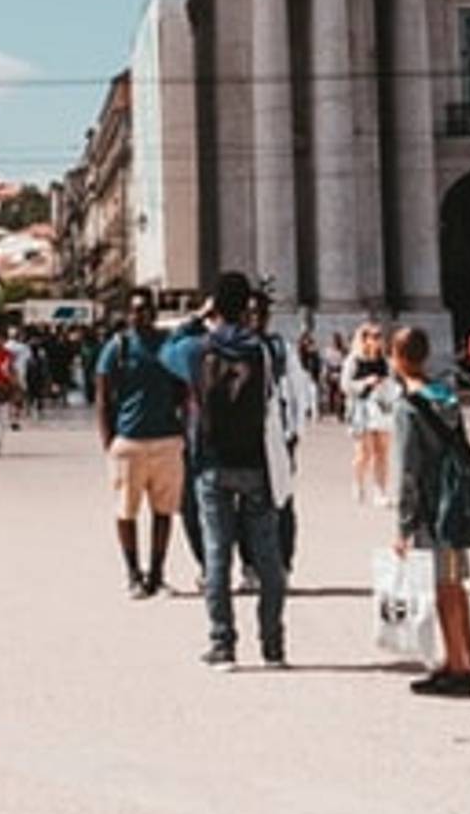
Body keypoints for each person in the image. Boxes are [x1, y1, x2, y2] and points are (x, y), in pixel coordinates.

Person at [163, 273, 287, 668]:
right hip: (256, 462)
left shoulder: (196, 349)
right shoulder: (266, 351)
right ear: (247, 307)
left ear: (215, 305)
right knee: (268, 556)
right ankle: (272, 646)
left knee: (217, 555)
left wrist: (198, 318)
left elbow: (166, 350)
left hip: (211, 462)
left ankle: (223, 645)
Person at [387, 325, 470, 696]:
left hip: (434, 509)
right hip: (456, 499)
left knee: (444, 587)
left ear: (396, 358)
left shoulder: (407, 407)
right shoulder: (444, 393)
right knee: (455, 583)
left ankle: (459, 668)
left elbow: (409, 473)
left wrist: (403, 527)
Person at [91, 290, 189, 599]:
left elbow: (183, 387)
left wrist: (182, 429)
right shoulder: (117, 347)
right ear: (128, 314)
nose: (141, 315)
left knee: (164, 511)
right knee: (126, 511)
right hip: (129, 440)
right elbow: (103, 397)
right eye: (135, 310)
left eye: (146, 310)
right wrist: (109, 441)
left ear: (155, 312)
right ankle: (133, 573)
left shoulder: (169, 344)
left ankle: (157, 575)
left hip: (166, 438)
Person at [343, 322, 397, 498]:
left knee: (382, 451)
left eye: (380, 337)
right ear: (364, 340)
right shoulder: (354, 360)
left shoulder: (385, 362)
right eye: (373, 337)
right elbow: (345, 385)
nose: (378, 341)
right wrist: (365, 382)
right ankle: (358, 483)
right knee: (364, 452)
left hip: (382, 407)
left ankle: (380, 490)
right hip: (362, 408)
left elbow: (393, 382)